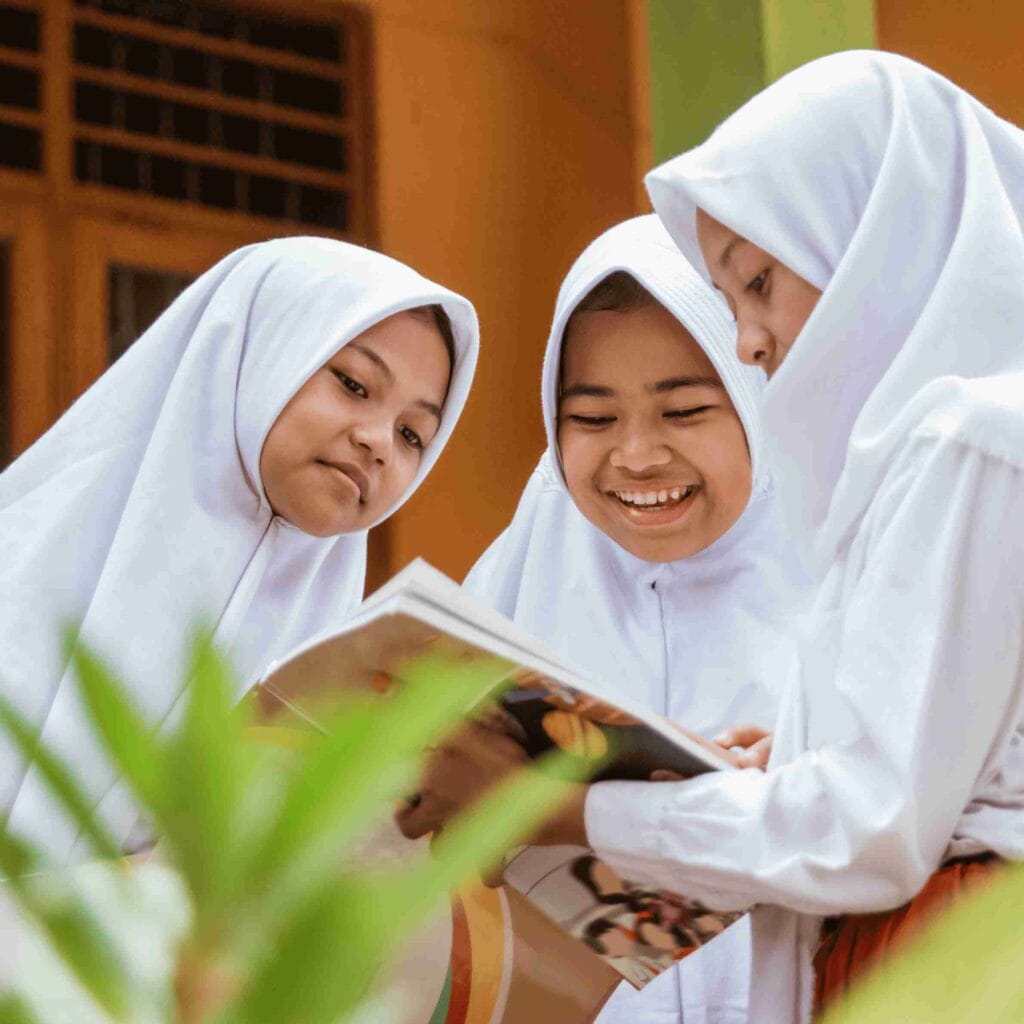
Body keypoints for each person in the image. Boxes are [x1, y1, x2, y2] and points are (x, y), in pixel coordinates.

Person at [405, 51, 1024, 1023]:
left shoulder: (968, 444)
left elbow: (875, 825)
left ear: (869, 240)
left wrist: (563, 806)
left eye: (758, 283)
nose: (747, 340)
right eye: (593, 417)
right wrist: (784, 765)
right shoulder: (911, 462)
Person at [437, 215, 812, 1023]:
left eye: (684, 411)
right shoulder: (510, 588)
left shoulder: (852, 586)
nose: (636, 456)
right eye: (594, 418)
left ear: (755, 396)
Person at [0, 236, 479, 865]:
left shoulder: (339, 660)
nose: (378, 442)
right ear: (254, 353)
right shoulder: (26, 559)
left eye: (413, 433)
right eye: (355, 385)